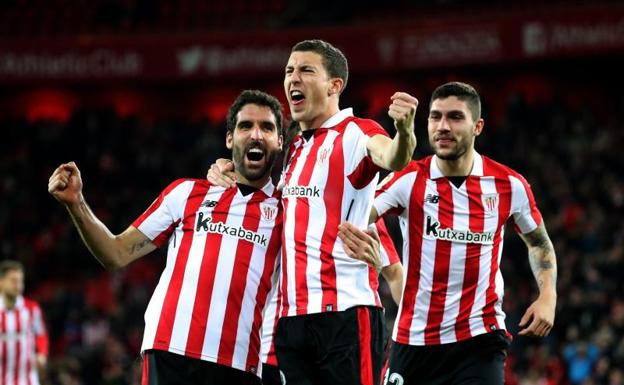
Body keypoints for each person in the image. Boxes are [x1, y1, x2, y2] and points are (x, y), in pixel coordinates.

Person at [209, 39, 418, 385]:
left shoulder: (355, 133)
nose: (293, 78)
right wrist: (223, 169)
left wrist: (405, 132)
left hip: (345, 316)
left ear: (335, 86)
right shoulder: (294, 153)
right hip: (292, 323)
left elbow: (392, 155)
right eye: (289, 71)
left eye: (306, 70)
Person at [48, 90, 286, 384]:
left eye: (267, 127)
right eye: (246, 126)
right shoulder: (186, 193)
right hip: (169, 350)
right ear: (229, 139)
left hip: (240, 362)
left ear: (280, 142)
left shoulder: (288, 210)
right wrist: (77, 203)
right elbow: (116, 253)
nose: (256, 135)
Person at [366, 81, 557, 385]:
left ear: (477, 126)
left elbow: (538, 242)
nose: (442, 126)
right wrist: (389, 267)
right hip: (414, 338)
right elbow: (358, 214)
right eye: (435, 117)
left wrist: (548, 295)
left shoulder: (509, 184)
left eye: (455, 117)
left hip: (479, 340)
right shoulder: (409, 178)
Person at [0, 260, 49, 385]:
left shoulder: (32, 309)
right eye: (13, 280)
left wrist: (42, 354)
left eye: (20, 281)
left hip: (28, 380)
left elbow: (41, 334)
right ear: (1, 282)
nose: (18, 285)